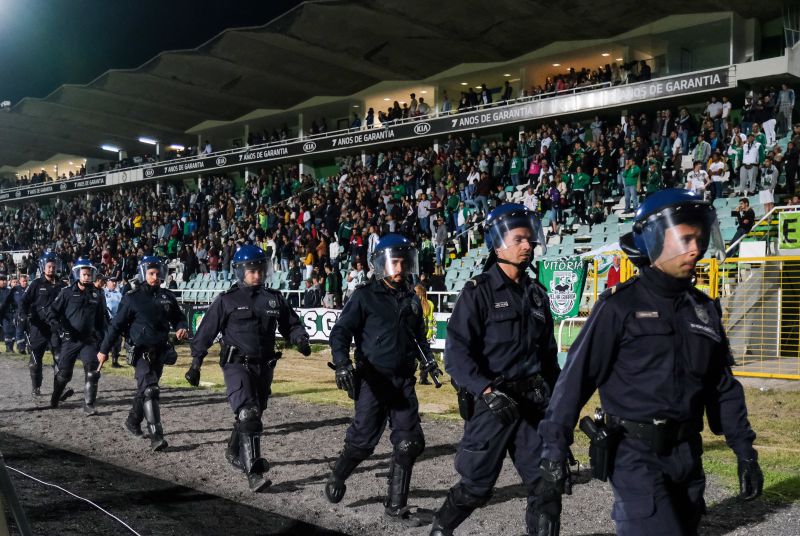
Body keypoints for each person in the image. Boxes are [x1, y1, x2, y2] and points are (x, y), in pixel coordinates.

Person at [537, 189, 763, 535]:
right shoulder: (619, 307)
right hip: (635, 456)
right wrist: (553, 450)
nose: (695, 248)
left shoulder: (703, 309)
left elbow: (722, 387)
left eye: (699, 238)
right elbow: (574, 382)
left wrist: (745, 450)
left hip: (687, 457)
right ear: (654, 239)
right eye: (684, 238)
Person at [430, 204, 561, 536]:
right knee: (476, 487)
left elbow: (549, 357)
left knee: (547, 485)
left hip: (533, 405)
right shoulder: (478, 293)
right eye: (519, 239)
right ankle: (440, 528)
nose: (527, 245)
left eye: (530, 239)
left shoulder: (537, 294)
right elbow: (456, 355)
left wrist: (560, 403)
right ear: (498, 245)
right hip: (493, 403)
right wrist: (486, 391)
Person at [325, 234, 442, 519]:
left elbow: (418, 338)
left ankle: (396, 506)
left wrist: (428, 360)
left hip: (404, 382)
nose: (399, 268)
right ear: (381, 264)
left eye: (403, 262)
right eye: (394, 262)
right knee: (362, 443)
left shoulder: (412, 298)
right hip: (373, 381)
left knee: (409, 442)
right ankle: (338, 474)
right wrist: (342, 364)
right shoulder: (364, 296)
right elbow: (340, 332)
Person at [185, 245, 311, 492]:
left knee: (255, 413)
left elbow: (291, 324)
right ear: (241, 271)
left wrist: (300, 339)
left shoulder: (274, 298)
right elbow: (205, 333)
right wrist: (195, 365)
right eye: (252, 270)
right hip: (236, 365)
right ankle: (254, 473)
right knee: (248, 413)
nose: (258, 274)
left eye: (261, 269)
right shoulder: (227, 300)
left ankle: (233, 451)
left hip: (264, 367)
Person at [98, 258, 188, 451]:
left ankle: (132, 421)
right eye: (151, 273)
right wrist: (103, 350)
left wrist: (182, 327)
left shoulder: (167, 296)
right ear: (143, 274)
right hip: (140, 352)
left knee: (145, 389)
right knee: (151, 390)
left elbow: (179, 317)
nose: (155, 277)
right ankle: (157, 436)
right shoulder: (132, 298)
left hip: (160, 351)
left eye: (158, 273)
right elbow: (116, 326)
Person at [46, 258, 108, 416]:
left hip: (89, 340)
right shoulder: (66, 292)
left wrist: (104, 342)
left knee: (92, 370)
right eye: (84, 274)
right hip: (70, 340)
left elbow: (101, 321)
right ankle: (55, 397)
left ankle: (89, 404)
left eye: (89, 274)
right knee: (64, 374)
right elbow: (52, 313)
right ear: (77, 274)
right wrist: (59, 329)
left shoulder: (97, 294)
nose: (87, 277)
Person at [19, 252, 67, 396]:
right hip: (38, 327)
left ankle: (59, 389)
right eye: (49, 266)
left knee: (59, 358)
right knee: (35, 360)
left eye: (53, 266)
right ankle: (36, 387)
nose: (51, 269)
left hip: (55, 328)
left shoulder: (62, 286)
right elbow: (23, 302)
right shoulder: (35, 284)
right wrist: (23, 316)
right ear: (43, 267)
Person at [414, 284, 436, 386]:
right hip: (425, 334)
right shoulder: (430, 304)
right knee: (425, 357)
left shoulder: (414, 303)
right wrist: (430, 334)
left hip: (416, 334)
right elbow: (431, 320)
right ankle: (423, 378)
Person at [102, 276, 124, 368]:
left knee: (117, 340)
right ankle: (99, 360)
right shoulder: (103, 292)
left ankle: (115, 361)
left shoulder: (118, 294)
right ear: (107, 282)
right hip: (106, 320)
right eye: (112, 281)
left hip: (116, 320)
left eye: (115, 282)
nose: (114, 283)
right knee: (104, 339)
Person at [12, 274, 28, 354]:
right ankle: (21, 348)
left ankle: (29, 348)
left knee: (29, 332)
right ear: (20, 281)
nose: (25, 282)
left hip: (28, 313)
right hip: (18, 313)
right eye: (23, 281)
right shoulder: (15, 290)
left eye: (26, 281)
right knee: (19, 331)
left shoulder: (30, 289)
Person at [0, 274, 16, 352]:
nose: (4, 282)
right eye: (2, 280)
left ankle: (9, 347)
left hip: (6, 313)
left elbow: (13, 302)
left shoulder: (9, 291)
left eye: (5, 280)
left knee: (8, 330)